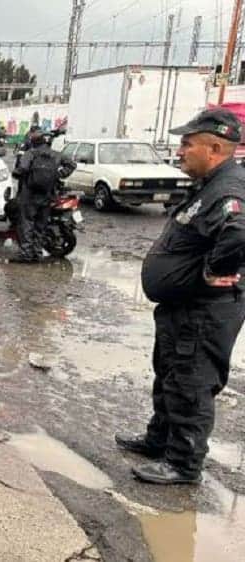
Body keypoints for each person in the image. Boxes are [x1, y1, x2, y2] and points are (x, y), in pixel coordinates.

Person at [116, 108, 245, 486]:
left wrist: (211, 271)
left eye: (187, 144)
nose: (180, 151)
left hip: (204, 312)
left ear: (215, 147)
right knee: (170, 375)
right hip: (182, 309)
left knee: (191, 381)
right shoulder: (210, 185)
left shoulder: (229, 189)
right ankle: (159, 441)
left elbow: (238, 234)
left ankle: (183, 464)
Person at [11, 131, 76, 263]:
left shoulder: (30, 154)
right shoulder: (56, 154)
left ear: (33, 142)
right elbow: (72, 164)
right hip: (47, 195)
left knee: (27, 223)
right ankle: (37, 253)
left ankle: (26, 254)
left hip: (29, 195)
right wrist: (59, 175)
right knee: (41, 225)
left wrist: (16, 173)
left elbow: (22, 168)